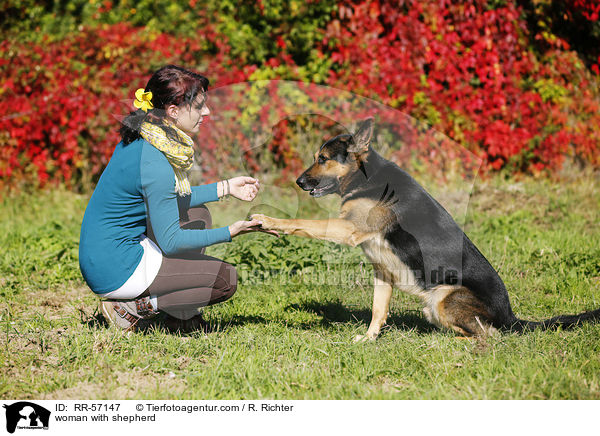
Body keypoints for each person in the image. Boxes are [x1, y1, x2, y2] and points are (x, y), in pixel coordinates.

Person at [79, 64, 275, 332]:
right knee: (224, 279)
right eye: (199, 106)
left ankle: (180, 316)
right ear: (172, 111)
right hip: (116, 266)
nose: (207, 112)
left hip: (103, 253)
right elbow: (171, 242)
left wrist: (227, 187)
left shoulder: (144, 136)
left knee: (198, 215)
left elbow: (164, 198)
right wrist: (232, 231)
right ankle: (129, 309)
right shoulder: (155, 162)